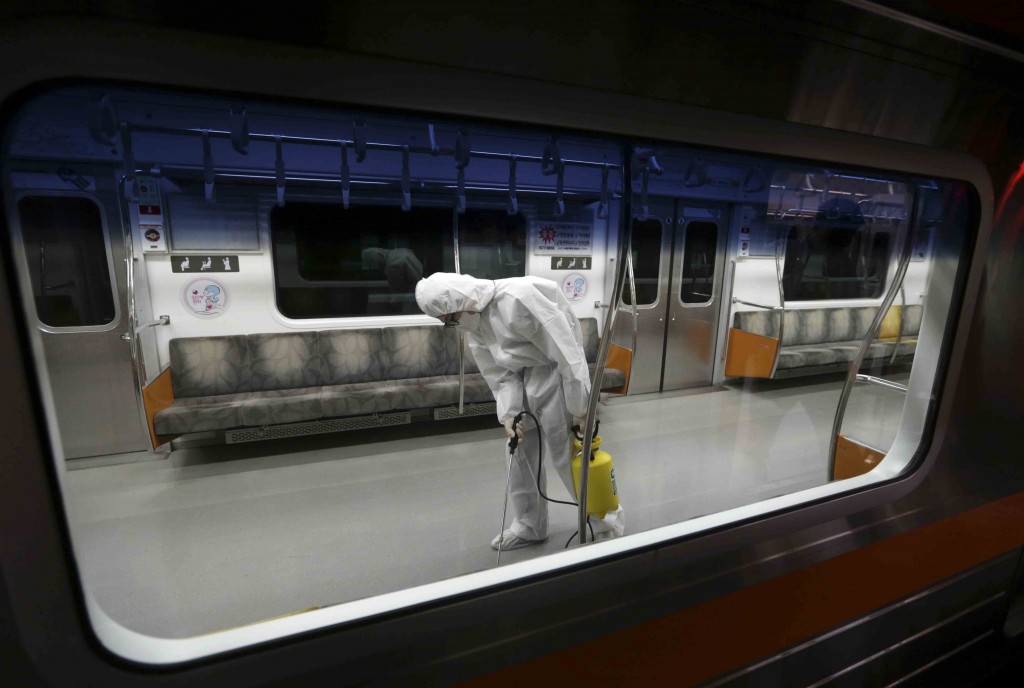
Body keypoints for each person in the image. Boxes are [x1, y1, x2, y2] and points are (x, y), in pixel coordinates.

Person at [415, 272, 625, 550]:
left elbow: (567, 353)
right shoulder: (474, 322)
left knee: (567, 454)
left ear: (462, 300)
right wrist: (510, 414)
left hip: (554, 374)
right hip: (523, 378)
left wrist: (580, 408)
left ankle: (604, 523)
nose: (452, 324)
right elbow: (499, 373)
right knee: (518, 453)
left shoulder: (519, 298)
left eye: (450, 317)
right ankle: (530, 525)